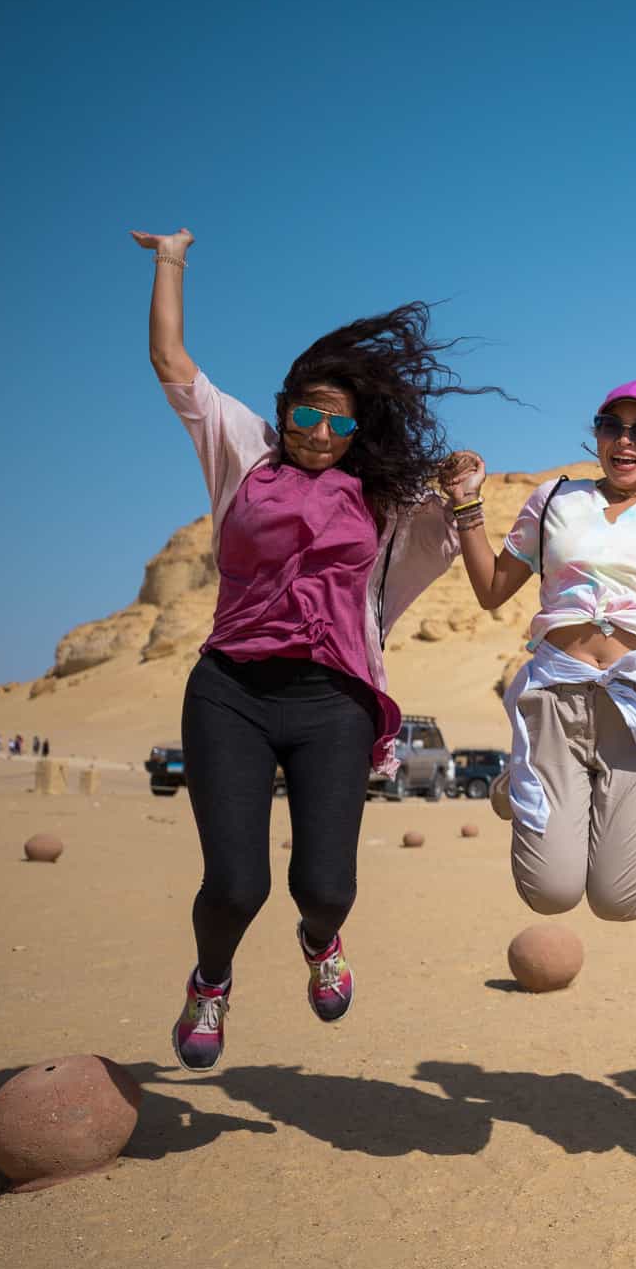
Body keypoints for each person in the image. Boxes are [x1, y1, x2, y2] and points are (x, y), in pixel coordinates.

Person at [137, 225, 485, 1069]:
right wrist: (172, 259)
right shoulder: (242, 455)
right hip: (231, 690)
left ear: (358, 430)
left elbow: (460, 543)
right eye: (306, 414)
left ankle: (321, 942)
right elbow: (173, 363)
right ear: (284, 406)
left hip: (333, 700)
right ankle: (210, 983)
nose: (319, 433)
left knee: (324, 888)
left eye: (338, 423)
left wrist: (468, 493)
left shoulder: (381, 502)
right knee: (236, 885)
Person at [442, 382, 636, 921]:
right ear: (597, 435)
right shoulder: (554, 500)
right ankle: (521, 775)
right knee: (549, 894)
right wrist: (467, 505)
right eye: (612, 426)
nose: (625, 440)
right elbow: (493, 589)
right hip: (556, 697)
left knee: (621, 901)